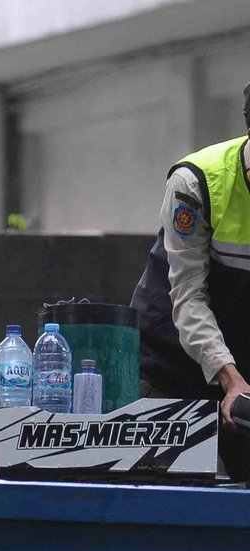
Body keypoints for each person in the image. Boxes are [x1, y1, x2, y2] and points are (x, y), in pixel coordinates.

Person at [131, 81, 250, 480]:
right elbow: (188, 297)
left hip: (243, 375)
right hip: (169, 367)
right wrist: (230, 379)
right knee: (171, 498)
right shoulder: (196, 183)